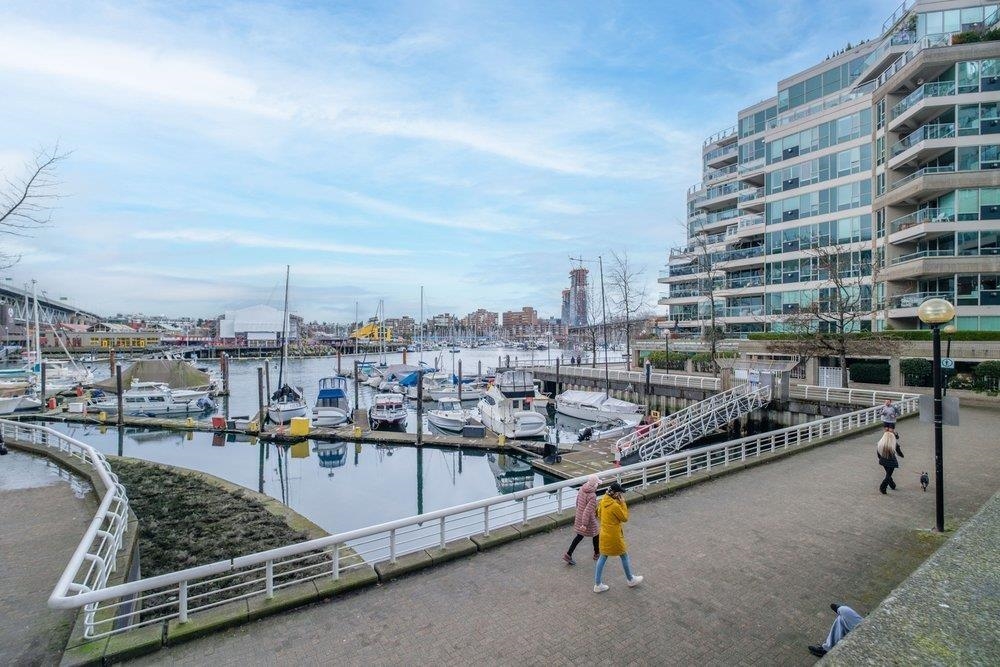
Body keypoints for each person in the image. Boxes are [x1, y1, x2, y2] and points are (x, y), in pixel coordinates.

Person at [594, 481, 643, 592]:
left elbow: (599, 514)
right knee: (624, 555)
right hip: (614, 535)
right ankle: (630, 579)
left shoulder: (603, 501)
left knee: (603, 557)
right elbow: (624, 518)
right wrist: (623, 503)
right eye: (619, 493)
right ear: (615, 494)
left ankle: (597, 584)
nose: (620, 495)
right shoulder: (615, 505)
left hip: (604, 533)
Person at [563, 475, 600, 565]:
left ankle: (568, 554)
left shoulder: (581, 489)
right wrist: (584, 524)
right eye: (597, 484)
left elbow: (577, 502)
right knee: (596, 533)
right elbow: (588, 511)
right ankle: (596, 553)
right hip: (588, 519)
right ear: (595, 485)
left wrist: (579, 513)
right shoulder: (592, 495)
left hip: (579, 515)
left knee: (579, 536)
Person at [876, 430, 904, 494]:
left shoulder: (880, 443)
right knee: (888, 475)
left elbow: (878, 454)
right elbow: (899, 452)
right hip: (891, 462)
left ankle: (892, 485)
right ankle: (882, 487)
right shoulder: (894, 443)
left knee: (888, 474)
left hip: (883, 461)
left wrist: (881, 459)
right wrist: (902, 456)